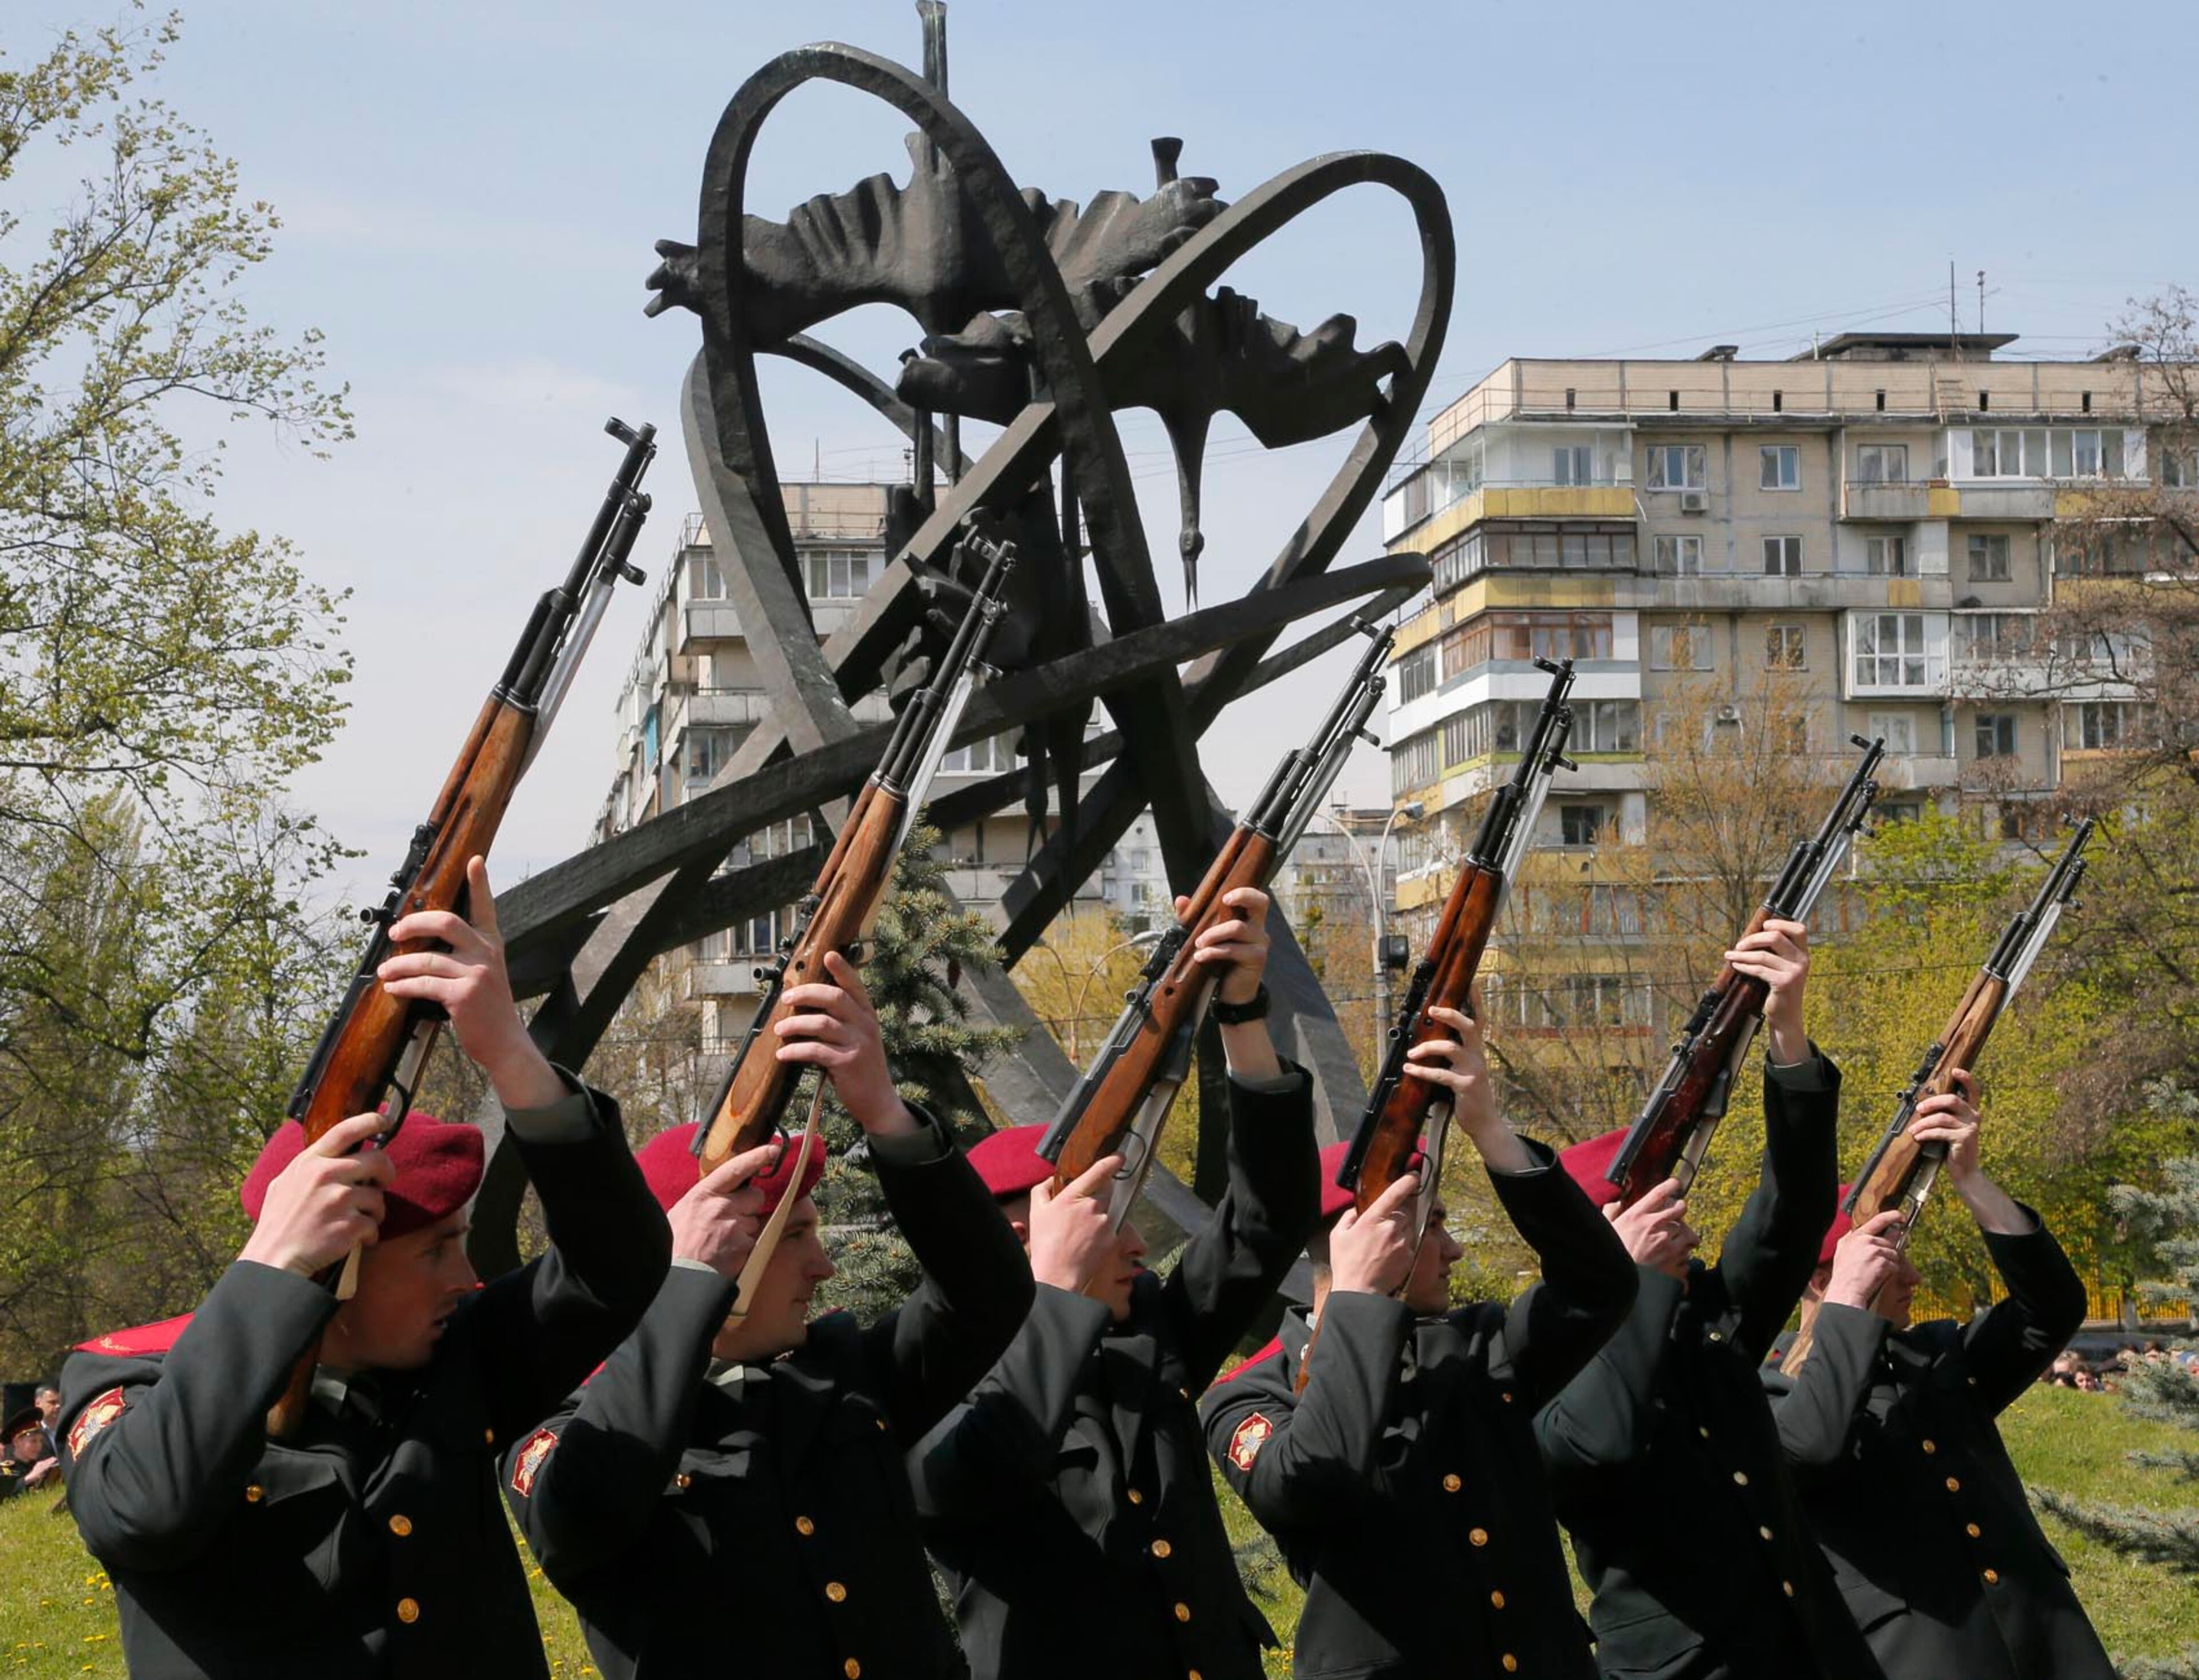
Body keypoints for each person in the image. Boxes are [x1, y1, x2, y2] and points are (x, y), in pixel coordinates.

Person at [58, 858, 670, 1679]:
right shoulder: (129, 1379)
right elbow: (145, 1514)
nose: (466, 1277)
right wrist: (274, 1268)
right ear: (333, 1264)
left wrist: (511, 1055)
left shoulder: (457, 1359)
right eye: (433, 1249)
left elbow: (619, 1265)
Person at [503, 949, 1032, 1680]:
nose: (825, 1268)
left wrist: (884, 1111)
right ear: (707, 1248)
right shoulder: (564, 1426)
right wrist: (684, 1285)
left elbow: (990, 1294)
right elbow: (584, 1516)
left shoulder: (842, 1376)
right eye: (792, 1236)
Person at [909, 886, 1319, 1680]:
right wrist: (1054, 1294)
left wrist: (1239, 1010)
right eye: (1108, 1218)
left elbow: (1267, 1219)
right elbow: (972, 1474)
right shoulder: (934, 1371)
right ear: (1027, 1232)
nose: (1138, 1241)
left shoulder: (1147, 1331)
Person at [1200, 998, 1637, 1679]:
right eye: (1430, 1225)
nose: (1455, 1250)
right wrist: (1361, 1300)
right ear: (1364, 1238)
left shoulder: (1478, 1346)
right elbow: (1310, 1488)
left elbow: (1601, 1286)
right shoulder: (1245, 1398)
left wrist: (1489, 1128)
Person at [1533, 919, 1882, 1680]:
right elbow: (1600, 1444)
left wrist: (1786, 1034)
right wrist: (1639, 1284)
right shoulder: (1537, 1349)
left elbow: (1792, 1219)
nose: (1682, 1223)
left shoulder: (1705, 1325)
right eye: (1657, 1210)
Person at [1761, 1071, 2111, 1680]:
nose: (1915, 1279)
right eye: (1894, 1263)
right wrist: (1847, 1301)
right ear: (1824, 1279)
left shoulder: (1936, 1357)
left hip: (2049, 1648)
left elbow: (2051, 1308)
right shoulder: (1769, 1390)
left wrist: (1970, 1178)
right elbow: (1812, 1448)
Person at [0, 1406, 59, 1499]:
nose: (39, 1446)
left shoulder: (40, 1465)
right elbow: (5, 1496)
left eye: (41, 1441)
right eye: (34, 1441)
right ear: (17, 1442)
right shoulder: (6, 1471)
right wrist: (30, 1478)